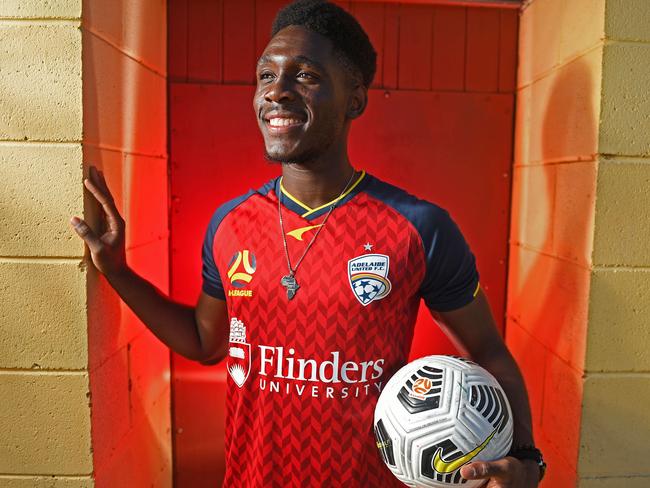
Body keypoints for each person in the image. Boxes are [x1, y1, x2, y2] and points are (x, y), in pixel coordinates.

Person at [70, 0, 545, 486]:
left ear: (355, 99)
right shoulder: (230, 224)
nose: (276, 91)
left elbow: (487, 350)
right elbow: (204, 342)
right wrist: (119, 273)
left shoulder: (419, 228)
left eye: (305, 76)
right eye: (265, 75)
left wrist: (527, 458)